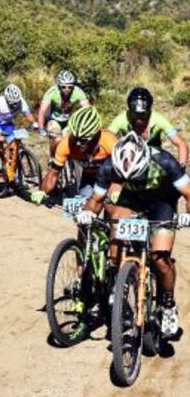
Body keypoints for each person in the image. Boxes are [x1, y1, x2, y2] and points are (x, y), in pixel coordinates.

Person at [75, 132, 190, 338]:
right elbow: (97, 199)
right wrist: (87, 214)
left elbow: (188, 193)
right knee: (116, 232)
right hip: (131, 200)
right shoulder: (109, 165)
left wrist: (186, 216)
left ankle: (168, 306)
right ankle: (119, 286)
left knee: (161, 259)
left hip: (162, 202)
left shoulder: (164, 160)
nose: (128, 178)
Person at [34, 106, 116, 204]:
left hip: (111, 178)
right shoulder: (66, 144)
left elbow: (122, 175)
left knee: (111, 205)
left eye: (83, 140)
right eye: (75, 138)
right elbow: (53, 174)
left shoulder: (110, 142)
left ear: (95, 135)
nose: (77, 143)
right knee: (84, 206)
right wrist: (42, 192)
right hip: (89, 177)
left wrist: (115, 191)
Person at [108, 87, 188, 168]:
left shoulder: (158, 119)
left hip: (154, 154)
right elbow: (105, 139)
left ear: (149, 110)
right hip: (129, 155)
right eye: (135, 114)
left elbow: (181, 143)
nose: (139, 118)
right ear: (130, 111)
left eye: (143, 114)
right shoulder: (121, 119)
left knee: (170, 166)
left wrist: (181, 165)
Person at [0, 84, 40, 173]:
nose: (14, 105)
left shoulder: (21, 101)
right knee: (0, 140)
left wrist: (35, 124)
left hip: (7, 124)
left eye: (16, 103)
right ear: (6, 99)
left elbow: (28, 115)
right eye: (11, 103)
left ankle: (12, 171)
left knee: (15, 142)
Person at [37, 70, 90, 155]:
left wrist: (88, 126)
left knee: (73, 141)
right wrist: (41, 128)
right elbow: (42, 112)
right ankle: (53, 159)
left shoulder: (78, 91)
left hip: (68, 121)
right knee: (57, 139)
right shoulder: (52, 92)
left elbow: (88, 111)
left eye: (70, 87)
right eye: (64, 87)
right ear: (59, 86)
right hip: (54, 120)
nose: (67, 89)